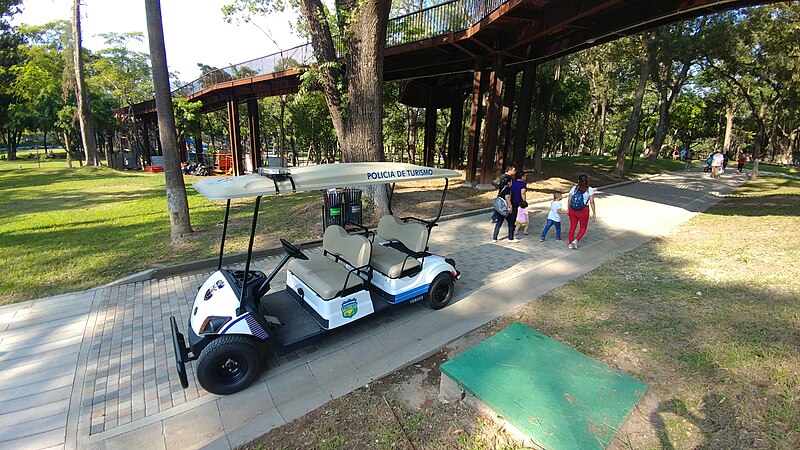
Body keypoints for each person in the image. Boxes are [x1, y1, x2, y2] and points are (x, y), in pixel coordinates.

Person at [567, 174, 596, 249]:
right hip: (583, 210)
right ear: (587, 181)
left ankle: (570, 243)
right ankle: (576, 241)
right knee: (583, 227)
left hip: (573, 209)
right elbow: (592, 201)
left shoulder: (574, 188)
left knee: (572, 227)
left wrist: (568, 209)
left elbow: (569, 199)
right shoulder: (589, 189)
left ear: (578, 181)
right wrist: (594, 213)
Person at [492, 176, 515, 242]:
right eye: (511, 182)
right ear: (508, 182)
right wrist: (511, 207)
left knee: (498, 223)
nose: (511, 183)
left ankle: (494, 238)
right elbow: (507, 198)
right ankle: (510, 238)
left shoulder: (502, 188)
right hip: (506, 209)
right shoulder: (508, 189)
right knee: (511, 223)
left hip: (500, 209)